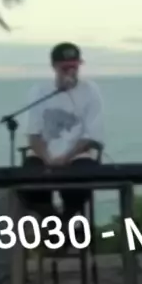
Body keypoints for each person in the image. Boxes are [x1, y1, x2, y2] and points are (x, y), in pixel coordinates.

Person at [21, 42, 104, 226]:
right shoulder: (39, 91)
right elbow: (33, 134)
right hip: (43, 154)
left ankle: (63, 224)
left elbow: (91, 135)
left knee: (79, 188)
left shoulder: (91, 91)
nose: (71, 72)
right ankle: (54, 223)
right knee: (29, 187)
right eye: (65, 68)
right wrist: (47, 158)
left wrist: (66, 157)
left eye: (75, 67)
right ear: (54, 67)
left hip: (78, 154)